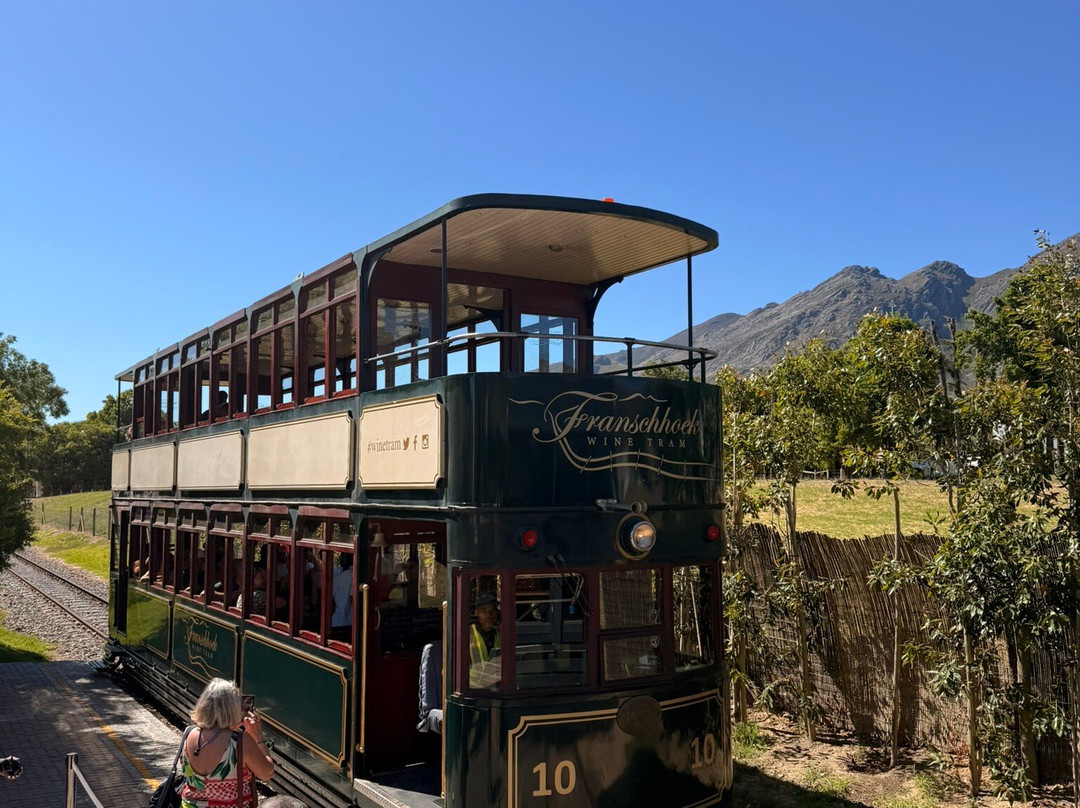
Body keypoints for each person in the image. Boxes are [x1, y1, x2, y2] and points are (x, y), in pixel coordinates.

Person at [180, 678, 273, 808]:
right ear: (232, 709)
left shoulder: (189, 733)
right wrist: (258, 737)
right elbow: (266, 773)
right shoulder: (241, 741)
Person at [469, 591, 501, 689]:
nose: (488, 615)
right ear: (476, 612)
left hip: (495, 690)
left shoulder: (500, 634)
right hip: (472, 692)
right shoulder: (467, 634)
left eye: (492, 610)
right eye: (483, 610)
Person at [331, 554, 354, 639]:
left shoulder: (338, 578)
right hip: (349, 623)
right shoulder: (354, 576)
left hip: (336, 621)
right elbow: (353, 599)